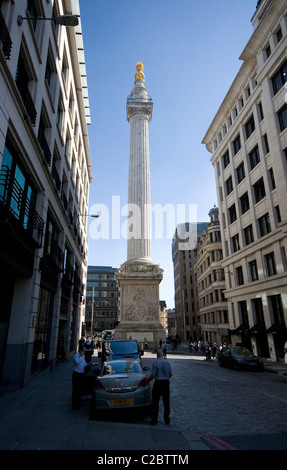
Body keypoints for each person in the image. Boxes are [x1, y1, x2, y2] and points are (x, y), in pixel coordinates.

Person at [148, 349, 172, 425]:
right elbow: (170, 374)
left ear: (157, 355)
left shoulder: (156, 363)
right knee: (166, 402)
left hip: (158, 383)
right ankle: (167, 419)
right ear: (162, 355)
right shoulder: (167, 363)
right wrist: (166, 377)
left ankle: (154, 420)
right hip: (166, 383)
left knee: (155, 402)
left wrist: (148, 380)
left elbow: (153, 375)